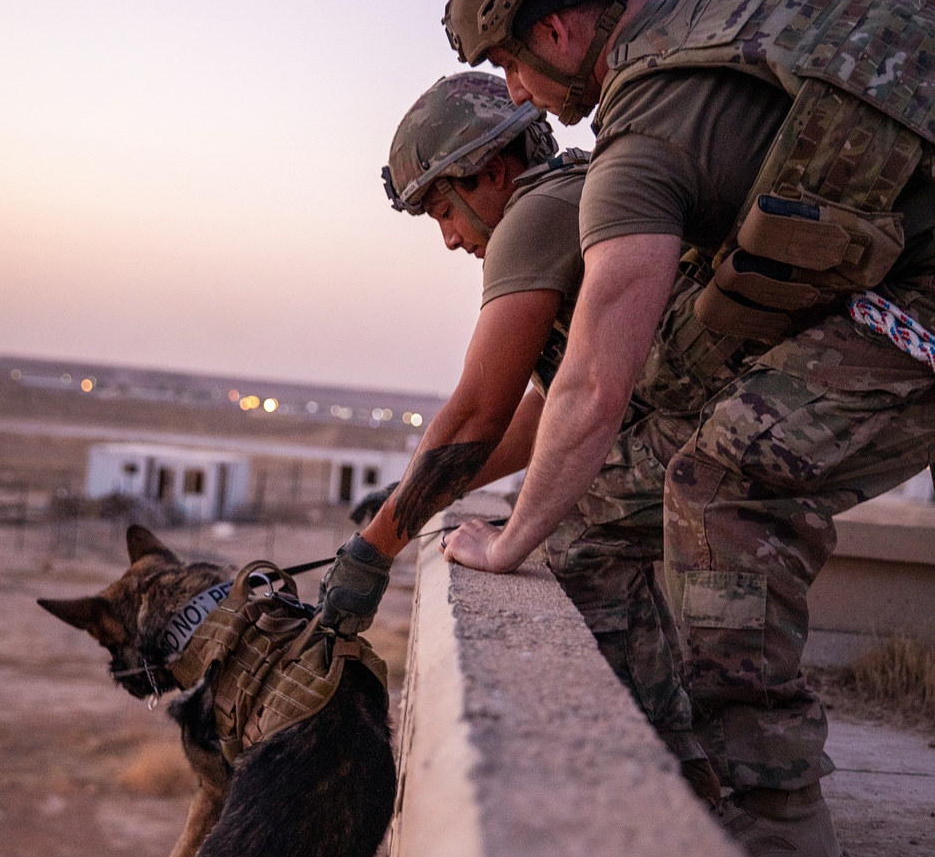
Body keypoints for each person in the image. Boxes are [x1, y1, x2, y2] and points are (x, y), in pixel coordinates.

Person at [427, 0, 935, 857]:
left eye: (507, 63)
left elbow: (592, 382)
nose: (516, 91)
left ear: (560, 29)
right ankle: (694, 762)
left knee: (721, 484)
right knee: (677, 472)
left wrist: (514, 538)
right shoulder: (727, 15)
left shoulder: (641, 142)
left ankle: (776, 810)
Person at [320, 71, 766, 810]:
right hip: (722, 424)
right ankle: (685, 767)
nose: (449, 238)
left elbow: (477, 414)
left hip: (727, 439)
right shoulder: (575, 194)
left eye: (443, 209)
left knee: (578, 528)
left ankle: (674, 777)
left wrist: (374, 550)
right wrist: (413, 496)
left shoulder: (535, 214)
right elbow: (542, 408)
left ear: (492, 173)